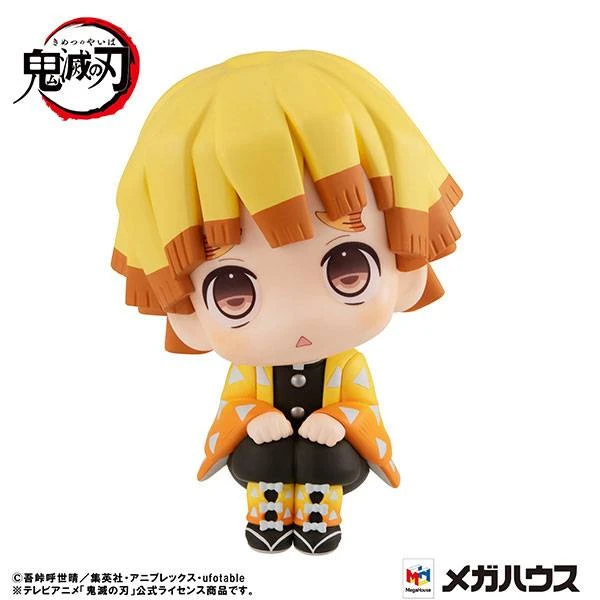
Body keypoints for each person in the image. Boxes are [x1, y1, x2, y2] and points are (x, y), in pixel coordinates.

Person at [112, 50, 462, 553]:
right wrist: (253, 418)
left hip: (330, 457)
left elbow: (364, 410)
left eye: (347, 267)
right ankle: (267, 521)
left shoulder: (348, 367)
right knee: (261, 458)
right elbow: (231, 412)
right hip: (264, 459)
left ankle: (321, 522)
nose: (298, 318)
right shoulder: (248, 374)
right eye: (233, 290)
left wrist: (338, 420)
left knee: (330, 461)